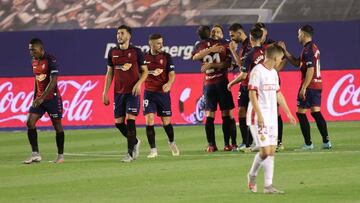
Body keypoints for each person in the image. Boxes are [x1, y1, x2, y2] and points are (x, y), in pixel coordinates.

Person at [246, 44, 296, 194]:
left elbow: (278, 94)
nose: (281, 61)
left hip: (272, 116)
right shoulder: (257, 71)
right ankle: (252, 175)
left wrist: (288, 113)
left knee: (272, 151)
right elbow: (252, 94)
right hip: (258, 115)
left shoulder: (274, 73)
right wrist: (259, 115)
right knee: (265, 151)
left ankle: (268, 186)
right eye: (281, 58)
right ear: (274, 58)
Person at [278, 25, 332, 150]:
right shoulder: (311, 48)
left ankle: (308, 143)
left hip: (310, 85)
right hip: (317, 84)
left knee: (300, 113)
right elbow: (297, 63)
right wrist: (285, 51)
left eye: (298, 34)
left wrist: (304, 87)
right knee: (315, 112)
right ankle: (326, 141)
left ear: (303, 34)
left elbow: (310, 69)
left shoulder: (308, 49)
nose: (298, 36)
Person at [102, 25, 148, 162]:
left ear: (129, 36)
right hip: (118, 93)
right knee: (118, 123)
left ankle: (130, 153)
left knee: (130, 119)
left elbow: (145, 71)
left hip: (132, 92)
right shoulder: (112, 52)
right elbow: (109, 73)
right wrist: (105, 92)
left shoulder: (136, 52)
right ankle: (134, 141)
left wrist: (139, 84)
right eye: (117, 33)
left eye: (122, 33)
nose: (119, 36)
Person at [192, 25, 236, 152]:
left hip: (208, 84)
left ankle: (212, 145)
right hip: (222, 83)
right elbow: (228, 63)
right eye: (213, 31)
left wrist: (209, 61)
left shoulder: (199, 46)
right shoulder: (224, 44)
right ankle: (227, 144)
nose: (215, 33)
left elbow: (194, 57)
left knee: (209, 115)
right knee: (226, 114)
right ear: (210, 33)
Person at [23, 38, 65, 164]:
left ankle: (60, 156)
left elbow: (54, 80)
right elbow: (37, 81)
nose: (31, 53)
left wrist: (42, 98)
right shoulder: (34, 62)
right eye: (30, 50)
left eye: (33, 50)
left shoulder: (50, 59)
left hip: (52, 98)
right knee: (30, 122)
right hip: (39, 99)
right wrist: (36, 97)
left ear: (41, 49)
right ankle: (35, 154)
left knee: (57, 126)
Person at [228, 26, 264, 152]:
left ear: (240, 33)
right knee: (242, 112)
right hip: (245, 85)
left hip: (250, 85)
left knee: (252, 114)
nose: (231, 38)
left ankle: (255, 141)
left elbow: (243, 69)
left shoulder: (250, 48)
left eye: (232, 35)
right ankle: (246, 142)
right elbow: (242, 65)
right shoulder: (245, 47)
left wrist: (231, 83)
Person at [143, 33, 179, 158]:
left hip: (163, 94)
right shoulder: (144, 57)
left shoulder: (166, 56)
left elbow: (172, 74)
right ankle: (153, 150)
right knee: (149, 120)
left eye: (162, 42)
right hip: (149, 93)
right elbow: (139, 73)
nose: (161, 45)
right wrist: (152, 72)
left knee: (166, 122)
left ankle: (172, 142)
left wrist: (169, 83)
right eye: (158, 43)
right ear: (151, 44)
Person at [209, 24, 238, 150]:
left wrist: (225, 64)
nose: (215, 33)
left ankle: (230, 144)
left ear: (222, 34)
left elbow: (233, 64)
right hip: (209, 85)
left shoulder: (227, 44)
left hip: (222, 83)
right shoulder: (204, 44)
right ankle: (212, 145)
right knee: (210, 114)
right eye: (213, 31)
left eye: (218, 31)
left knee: (228, 114)